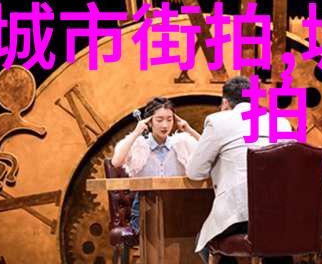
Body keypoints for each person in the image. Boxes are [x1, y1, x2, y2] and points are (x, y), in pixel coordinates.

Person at [186, 76, 294, 264]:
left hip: (240, 217)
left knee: (204, 242)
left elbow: (195, 172)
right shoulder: (281, 123)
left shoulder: (218, 121)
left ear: (225, 102)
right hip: (281, 215)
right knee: (274, 243)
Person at [111, 96, 200, 233]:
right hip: (145, 208)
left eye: (169, 120)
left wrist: (189, 130)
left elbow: (208, 152)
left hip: (178, 207)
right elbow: (116, 161)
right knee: (157, 231)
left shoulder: (182, 143)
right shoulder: (139, 145)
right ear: (150, 122)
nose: (165, 125)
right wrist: (136, 133)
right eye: (159, 120)